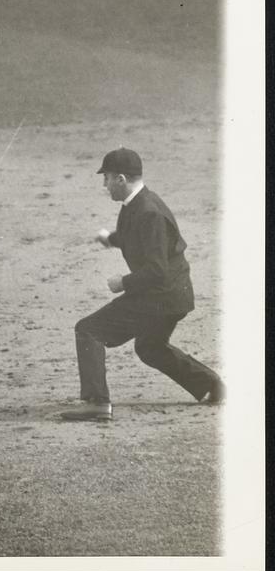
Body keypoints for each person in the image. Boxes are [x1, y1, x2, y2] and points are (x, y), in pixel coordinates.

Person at [60, 147, 225, 421]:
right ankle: (213, 386)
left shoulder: (148, 211)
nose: (105, 185)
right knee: (150, 347)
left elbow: (157, 270)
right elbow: (138, 238)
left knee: (89, 330)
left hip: (161, 295)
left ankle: (96, 403)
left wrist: (122, 282)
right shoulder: (138, 204)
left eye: (108, 178)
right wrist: (111, 239)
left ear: (121, 179)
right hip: (173, 295)